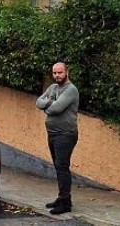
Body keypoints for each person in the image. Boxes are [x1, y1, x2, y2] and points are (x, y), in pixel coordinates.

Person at [36, 62, 80, 215]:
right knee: (58, 166)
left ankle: (65, 202)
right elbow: (38, 102)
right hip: (53, 133)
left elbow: (57, 108)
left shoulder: (71, 90)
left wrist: (47, 104)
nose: (57, 76)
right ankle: (62, 198)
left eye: (60, 72)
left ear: (66, 72)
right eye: (54, 73)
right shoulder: (53, 88)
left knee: (62, 166)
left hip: (66, 134)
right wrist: (49, 102)